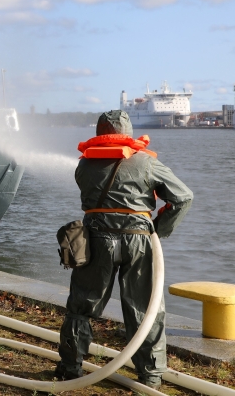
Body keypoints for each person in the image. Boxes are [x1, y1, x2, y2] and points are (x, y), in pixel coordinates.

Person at [55, 110, 193, 389]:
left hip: (94, 240)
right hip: (138, 240)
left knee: (81, 305)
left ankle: (70, 368)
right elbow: (183, 197)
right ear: (128, 132)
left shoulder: (84, 165)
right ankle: (150, 377)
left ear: (99, 131)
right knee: (145, 308)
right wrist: (158, 228)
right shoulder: (146, 163)